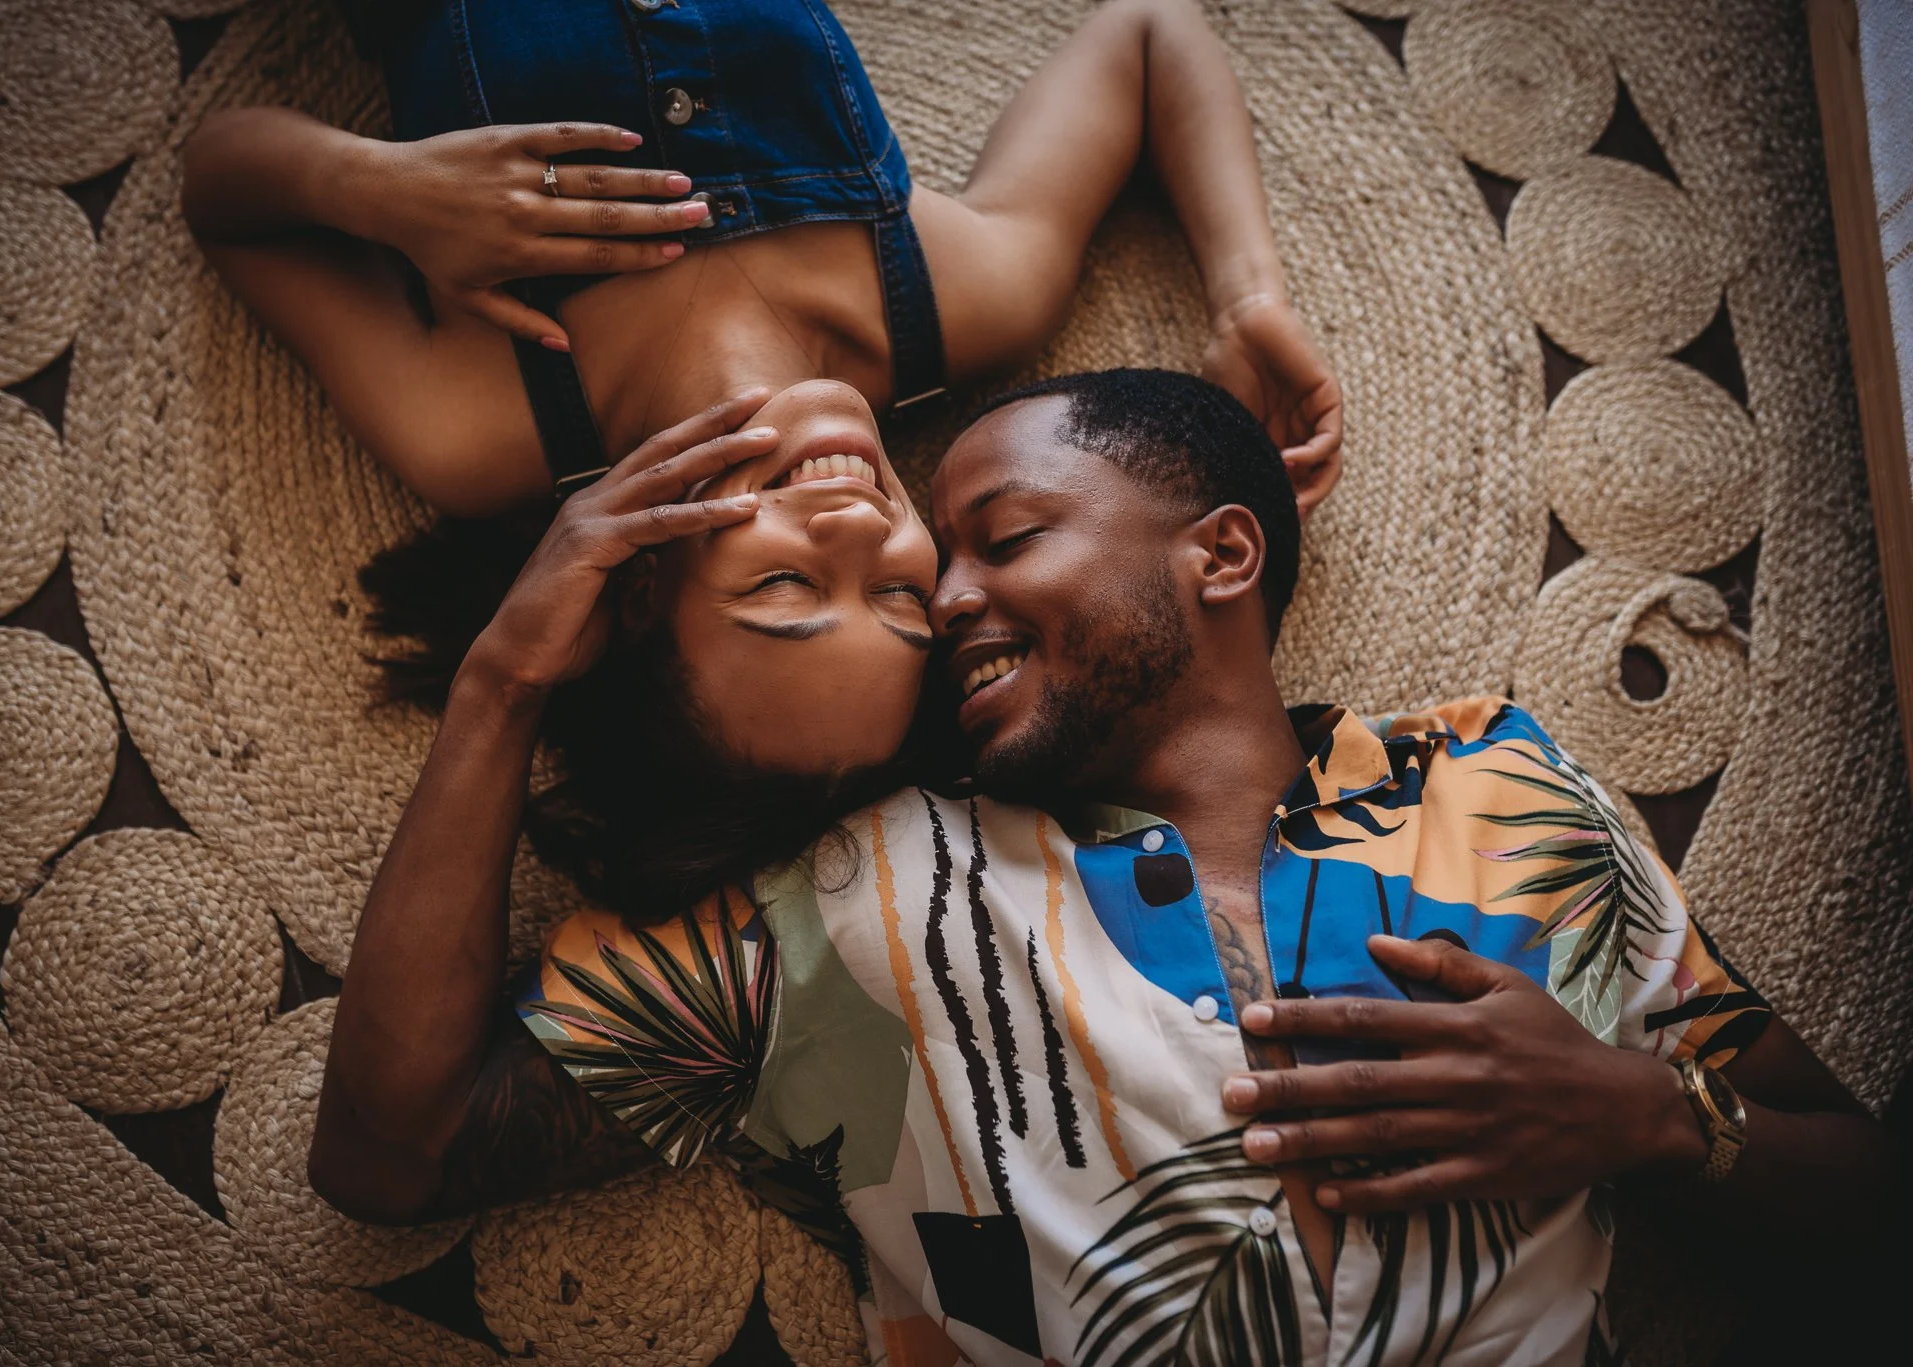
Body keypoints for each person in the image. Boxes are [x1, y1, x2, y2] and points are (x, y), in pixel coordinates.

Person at [312, 368, 1898, 1365]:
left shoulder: (1496, 777)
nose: (947, 597)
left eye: (1005, 534)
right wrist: (504, 680)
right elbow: (392, 1150)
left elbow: (1872, 1199)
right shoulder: (850, 892)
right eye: (940, 566)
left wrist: (1643, 1114)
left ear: (1220, 550)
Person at [180, 0, 1343, 919]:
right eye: (898, 591)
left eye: (784, 585)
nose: (851, 527)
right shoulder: (952, 301)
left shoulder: (484, 424)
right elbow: (1145, 35)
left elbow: (222, 182)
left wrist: (382, 193)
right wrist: (1246, 298)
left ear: (639, 582)